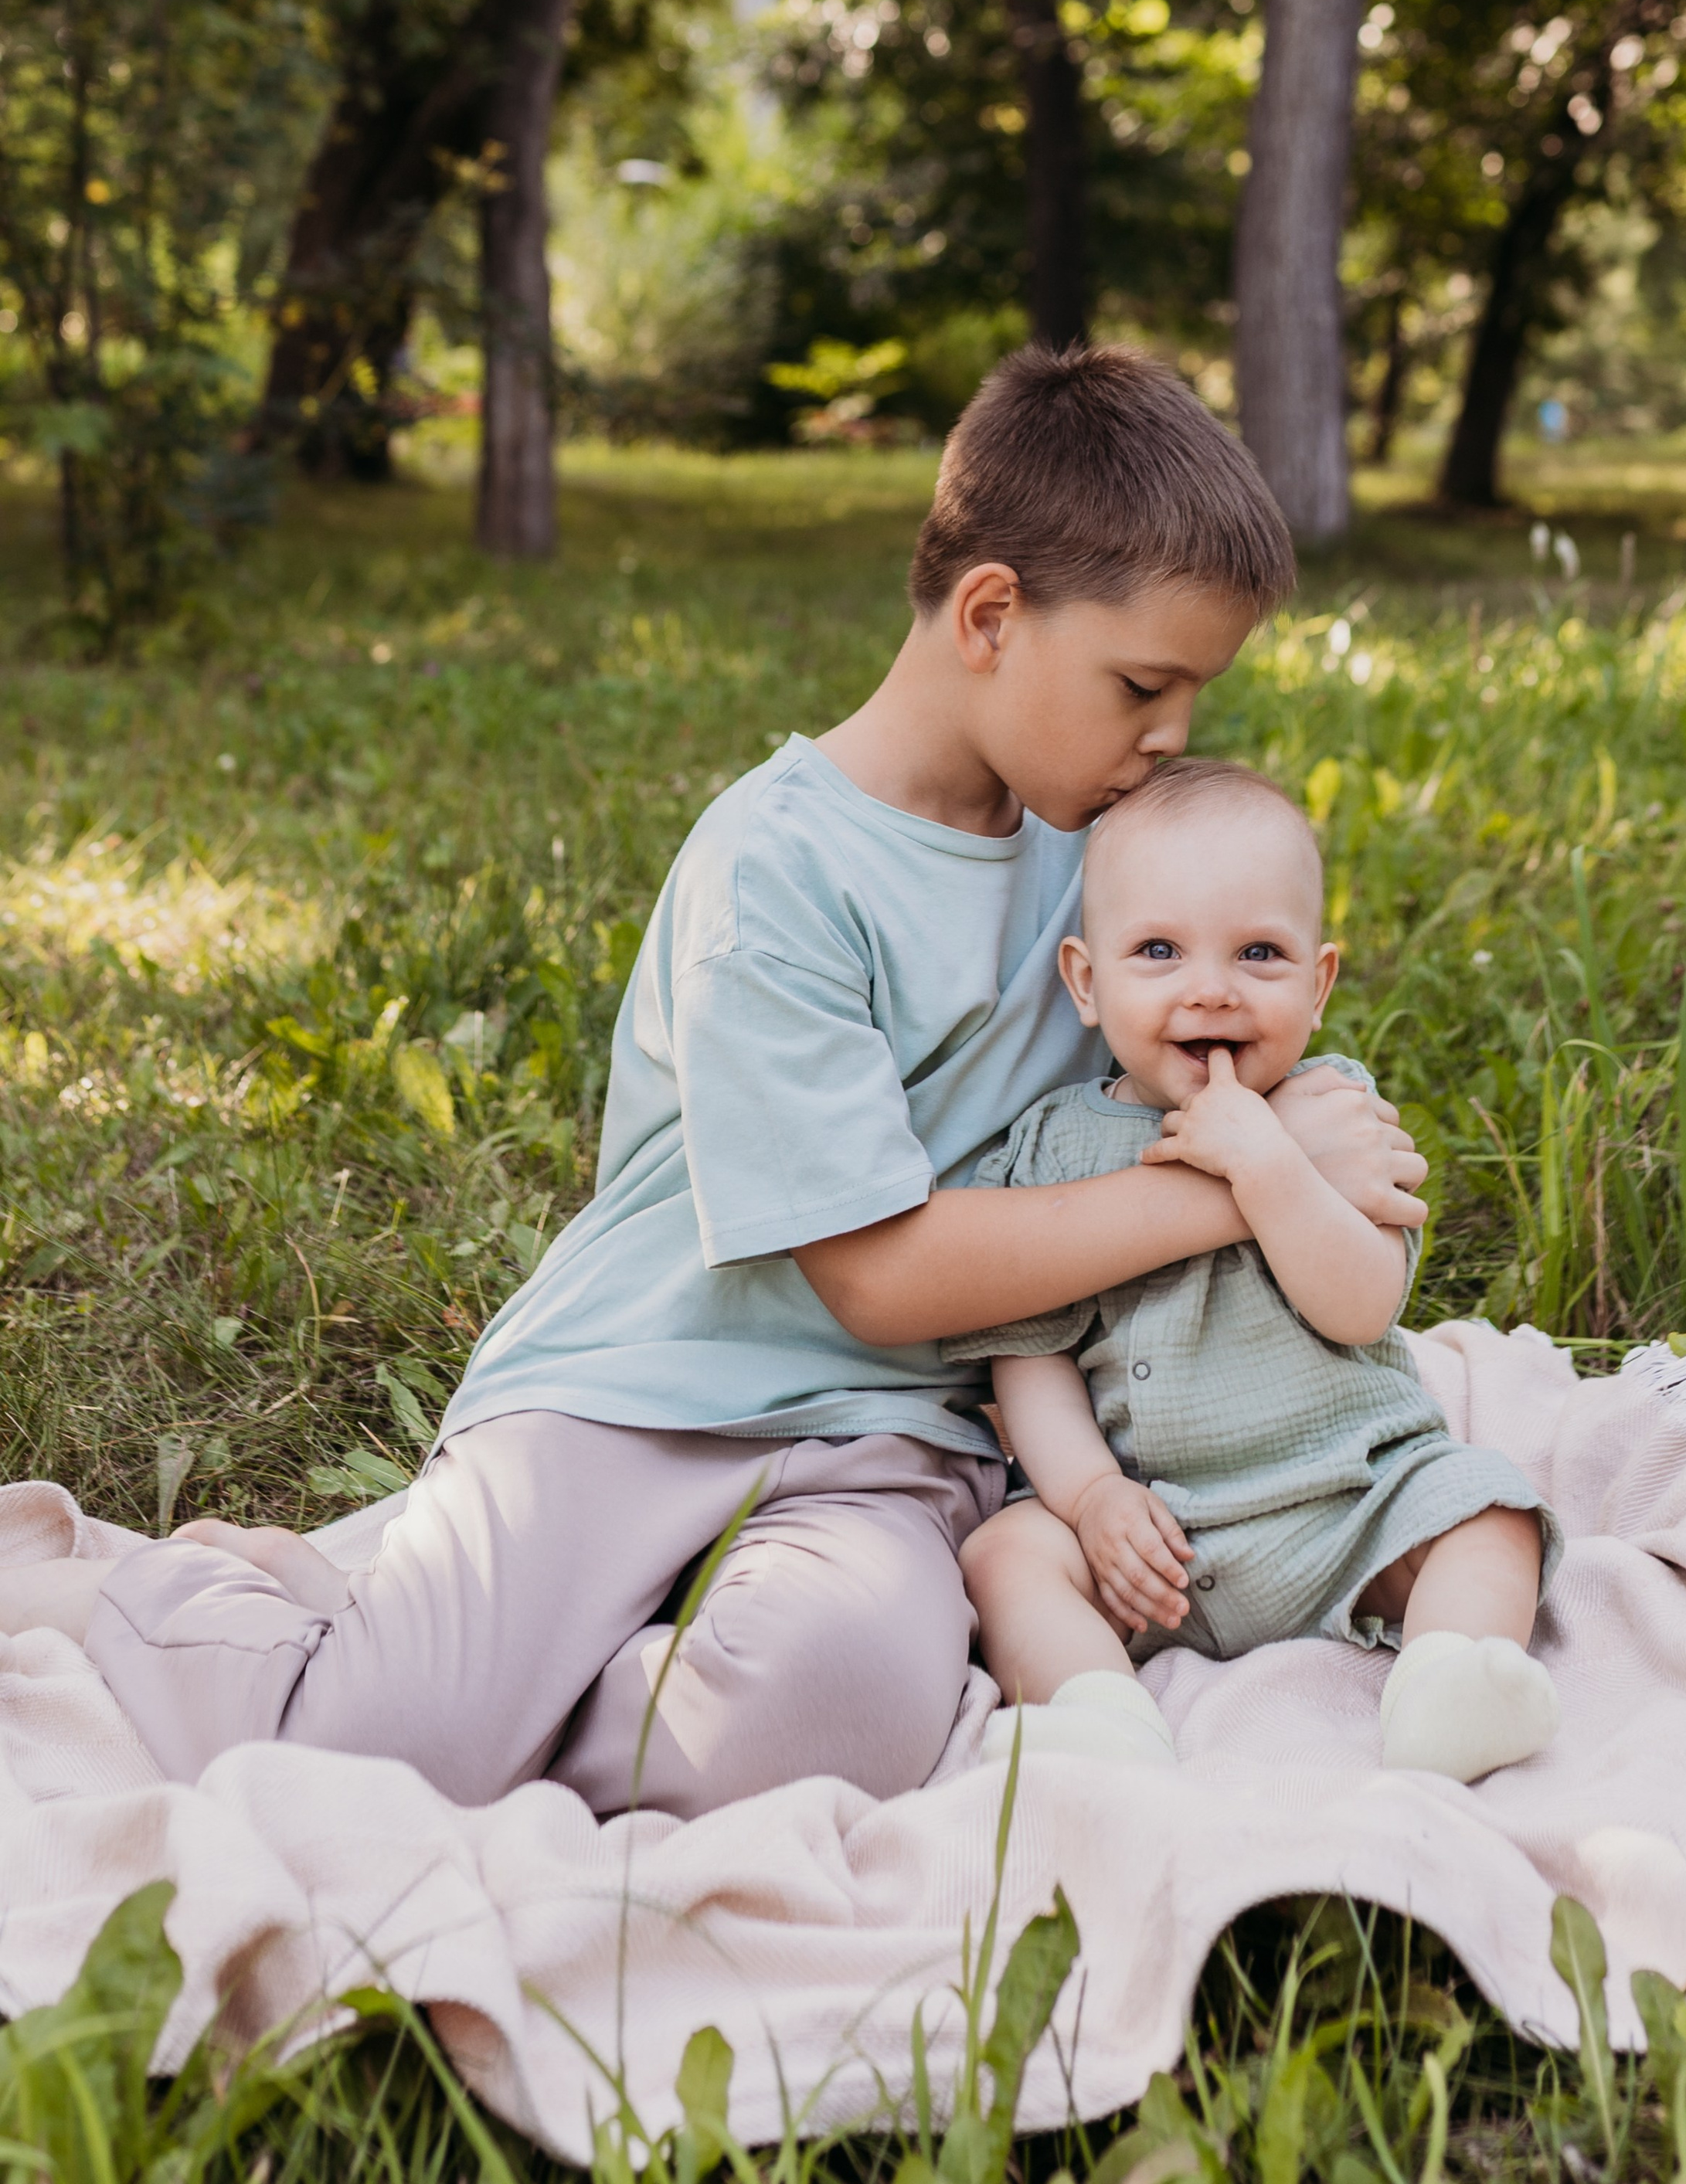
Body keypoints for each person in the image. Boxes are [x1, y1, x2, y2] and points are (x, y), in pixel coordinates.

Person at [0, 347, 1430, 1819]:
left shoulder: (1110, 862)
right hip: (638, 1386)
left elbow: (1226, 1031)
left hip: (898, 1437)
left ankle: (497, 1664)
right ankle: (142, 1596)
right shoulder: (780, 868)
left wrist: (1307, 1133)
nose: (1177, 736)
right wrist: (1243, 1187)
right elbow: (876, 1272)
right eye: (1145, 683)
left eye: (1195, 691)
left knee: (833, 1712)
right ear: (993, 614)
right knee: (380, 1758)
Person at [947, 758, 1560, 1784]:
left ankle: (1449, 1682)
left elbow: (1363, 1303)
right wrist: (1094, 1499)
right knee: (1007, 1557)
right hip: (1160, 1541)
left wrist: (1269, 1158)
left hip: (1355, 1506)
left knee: (1489, 1509)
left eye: (1259, 953)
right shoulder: (1054, 1149)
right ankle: (1096, 1714)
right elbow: (1031, 1359)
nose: (1211, 988)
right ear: (1086, 982)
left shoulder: (1334, 1113)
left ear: (1318, 985)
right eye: (1157, 950)